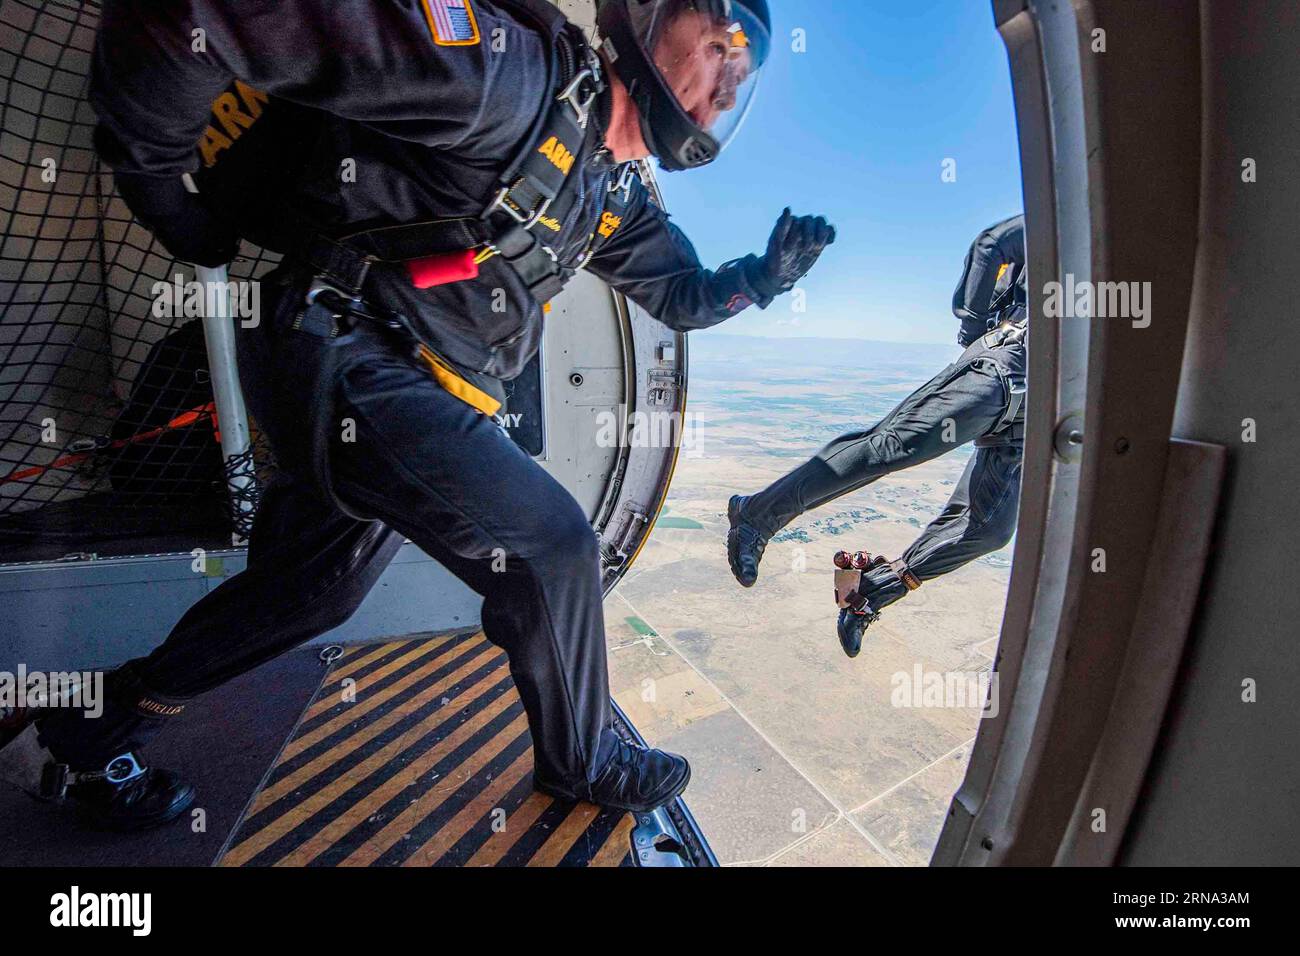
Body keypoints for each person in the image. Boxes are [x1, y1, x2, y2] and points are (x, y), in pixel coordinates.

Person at [20, 0, 838, 830]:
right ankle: (582, 758)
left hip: (412, 389)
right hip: (346, 344)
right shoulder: (511, 77)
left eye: (741, 70)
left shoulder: (610, 192)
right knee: (553, 545)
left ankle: (95, 726)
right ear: (647, 18)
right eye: (715, 46)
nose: (726, 82)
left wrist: (761, 280)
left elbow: (682, 295)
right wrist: (165, 194)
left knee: (310, 597)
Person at [726, 214, 1026, 657]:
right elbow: (992, 244)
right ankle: (756, 517)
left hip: (1035, 410)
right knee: (894, 445)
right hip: (1005, 367)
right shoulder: (1079, 214)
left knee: (989, 530)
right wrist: (976, 331)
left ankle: (871, 594)